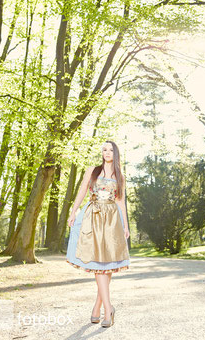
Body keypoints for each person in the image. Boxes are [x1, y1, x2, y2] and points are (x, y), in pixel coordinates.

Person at [66, 140, 130, 327]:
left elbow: (120, 202)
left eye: (110, 150)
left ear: (115, 153)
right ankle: (108, 310)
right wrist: (73, 211)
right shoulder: (92, 171)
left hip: (111, 219)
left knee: (107, 263)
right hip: (92, 216)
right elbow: (81, 192)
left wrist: (125, 226)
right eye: (104, 149)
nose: (107, 152)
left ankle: (97, 307)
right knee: (98, 263)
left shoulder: (120, 176)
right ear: (101, 153)